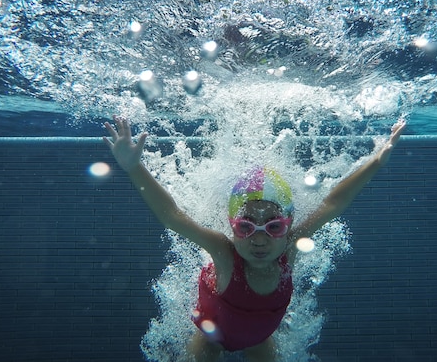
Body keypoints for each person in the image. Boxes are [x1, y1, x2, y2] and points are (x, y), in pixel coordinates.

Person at [103, 116, 406, 362]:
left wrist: (376, 161)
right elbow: (172, 216)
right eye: (246, 227)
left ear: (287, 226)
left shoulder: (290, 248)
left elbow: (331, 204)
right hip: (212, 337)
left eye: (273, 227)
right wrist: (134, 167)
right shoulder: (223, 252)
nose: (259, 240)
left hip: (259, 340)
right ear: (232, 226)